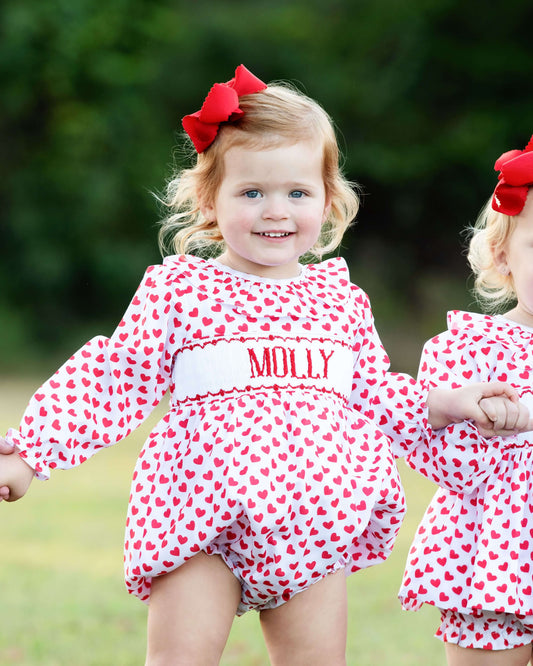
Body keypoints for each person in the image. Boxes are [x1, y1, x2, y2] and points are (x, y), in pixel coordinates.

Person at [0, 65, 529, 666]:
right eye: (252, 192)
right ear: (210, 199)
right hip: (201, 515)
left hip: (314, 519)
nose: (275, 211)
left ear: (328, 200)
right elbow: (113, 378)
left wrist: (448, 403)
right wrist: (29, 454)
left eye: (297, 193)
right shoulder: (184, 291)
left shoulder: (339, 301)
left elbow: (377, 396)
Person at [399, 135, 533, 665]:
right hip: (494, 556)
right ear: (502, 255)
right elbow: (449, 466)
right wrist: (481, 418)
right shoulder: (470, 348)